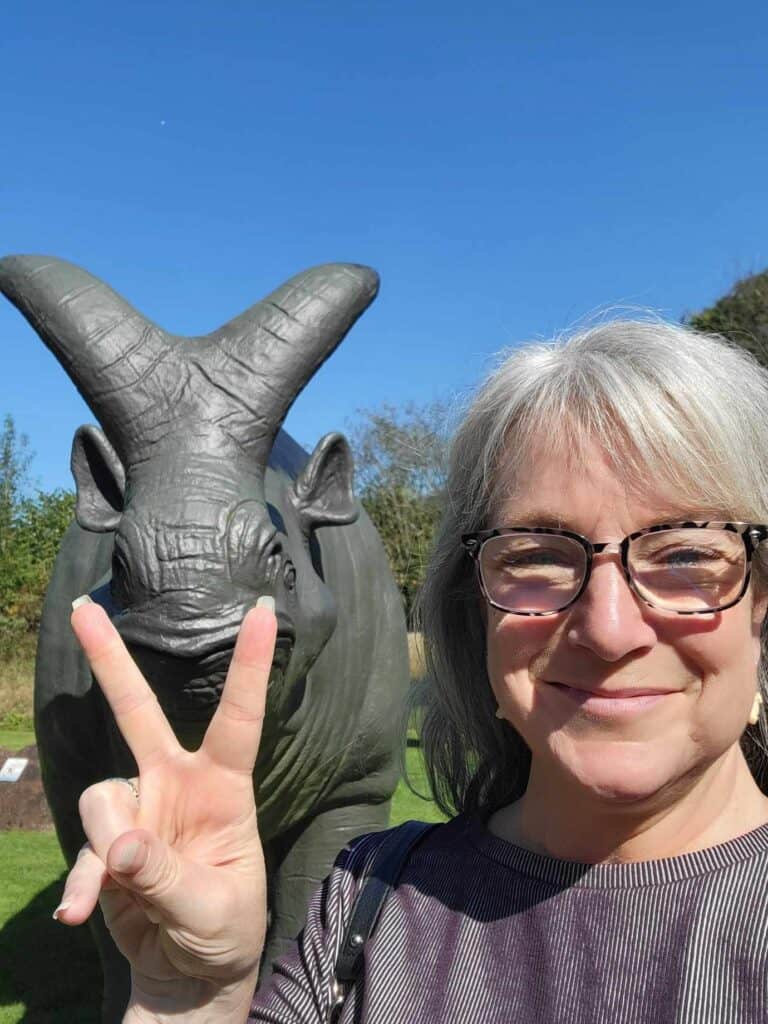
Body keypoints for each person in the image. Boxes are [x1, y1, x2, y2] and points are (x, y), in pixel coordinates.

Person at [59, 318, 768, 1023]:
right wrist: (196, 1002)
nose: (609, 630)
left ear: (760, 602)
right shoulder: (364, 901)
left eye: (686, 556)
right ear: (474, 608)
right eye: (536, 556)